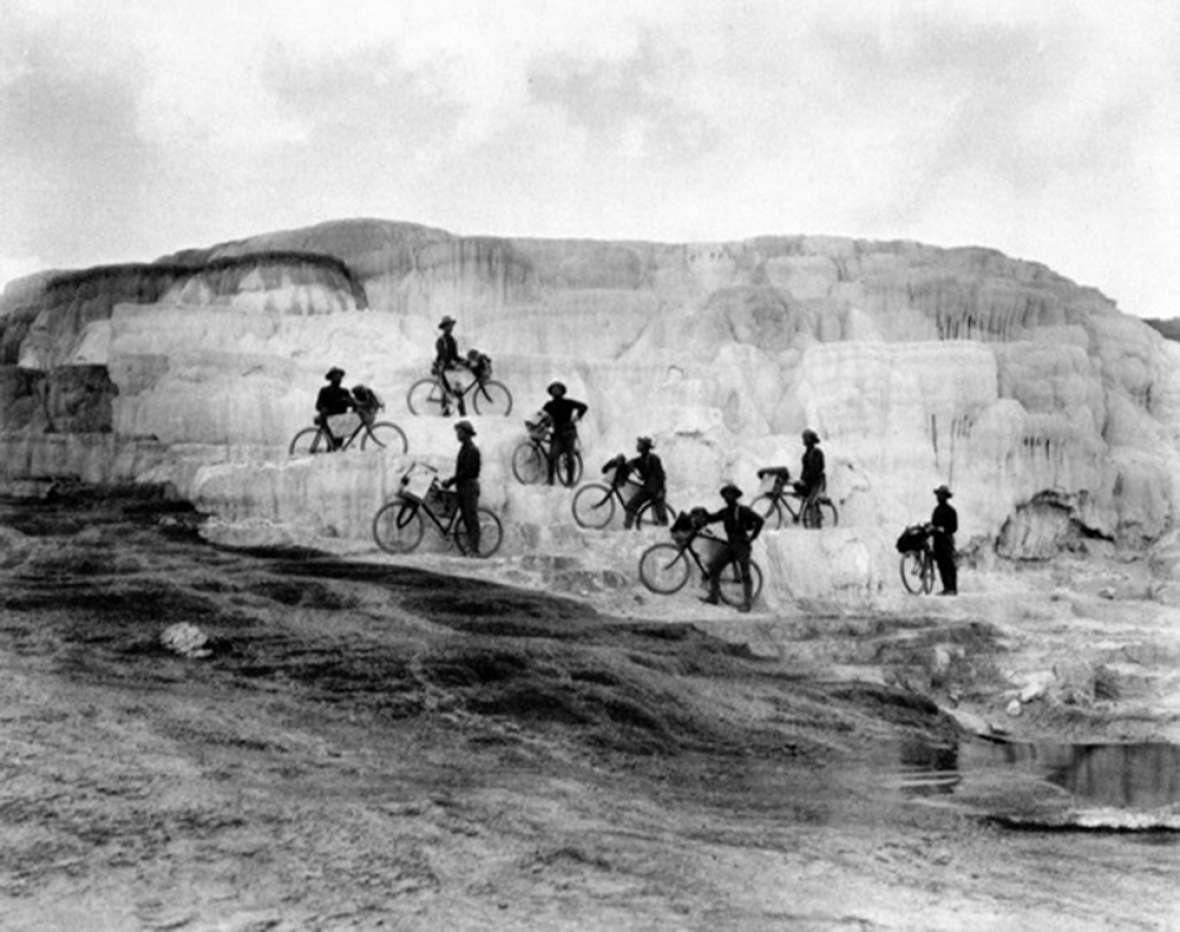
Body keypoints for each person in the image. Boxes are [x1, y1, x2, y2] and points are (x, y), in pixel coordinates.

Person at [698, 481, 764, 613]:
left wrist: (753, 537)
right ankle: (714, 597)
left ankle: (747, 603)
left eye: (730, 495)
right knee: (714, 568)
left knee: (745, 574)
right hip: (730, 545)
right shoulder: (725, 511)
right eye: (725, 495)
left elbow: (760, 521)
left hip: (742, 545)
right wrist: (703, 513)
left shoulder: (743, 510)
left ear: (735, 496)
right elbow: (712, 518)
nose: (727, 498)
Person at [442, 419, 482, 554]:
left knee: (471, 519)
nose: (457, 434)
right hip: (463, 487)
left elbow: (467, 472)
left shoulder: (472, 450)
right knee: (466, 518)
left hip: (469, 487)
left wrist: (451, 481)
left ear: (467, 434)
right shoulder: (465, 448)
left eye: (460, 432)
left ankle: (475, 550)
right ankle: (471, 548)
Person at [540, 381, 588, 486]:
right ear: (551, 393)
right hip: (557, 434)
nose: (556, 391)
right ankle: (550, 480)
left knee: (570, 457)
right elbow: (541, 415)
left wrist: (577, 417)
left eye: (558, 389)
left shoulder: (568, 402)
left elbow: (584, 407)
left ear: (562, 392)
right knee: (552, 456)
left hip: (568, 432)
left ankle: (570, 481)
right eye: (554, 390)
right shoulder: (549, 405)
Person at [622, 436, 668, 528]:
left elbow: (661, 476)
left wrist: (661, 490)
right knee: (659, 512)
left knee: (631, 505)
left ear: (645, 447)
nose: (637, 446)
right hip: (649, 488)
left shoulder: (654, 459)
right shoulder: (640, 459)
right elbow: (630, 464)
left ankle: (627, 527)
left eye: (640, 444)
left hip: (653, 490)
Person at [434, 315, 467, 415]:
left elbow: (455, 356)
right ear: (444, 328)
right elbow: (444, 356)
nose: (451, 328)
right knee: (446, 392)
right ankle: (446, 414)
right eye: (449, 326)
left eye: (451, 326)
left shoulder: (452, 340)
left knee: (458, 392)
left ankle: (463, 415)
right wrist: (452, 363)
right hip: (443, 369)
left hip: (451, 370)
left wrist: (464, 361)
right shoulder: (440, 341)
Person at [315, 367, 355, 450]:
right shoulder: (324, 391)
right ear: (331, 378)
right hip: (328, 421)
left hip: (340, 422)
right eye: (336, 376)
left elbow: (352, 404)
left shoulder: (345, 392)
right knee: (332, 446)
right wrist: (323, 408)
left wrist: (350, 402)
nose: (339, 379)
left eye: (340, 377)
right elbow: (318, 405)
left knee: (338, 446)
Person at [794, 428, 826, 526]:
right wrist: (802, 480)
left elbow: (816, 469)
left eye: (806, 439)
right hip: (810, 482)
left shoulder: (817, 453)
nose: (804, 441)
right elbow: (804, 470)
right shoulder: (805, 455)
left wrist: (806, 479)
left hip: (817, 482)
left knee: (811, 502)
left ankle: (815, 524)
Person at [931, 484, 958, 595]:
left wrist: (943, 529)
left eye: (941, 495)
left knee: (949, 564)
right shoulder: (936, 510)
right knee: (941, 565)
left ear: (945, 497)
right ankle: (946, 587)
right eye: (938, 495)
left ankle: (952, 588)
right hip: (937, 541)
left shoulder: (951, 511)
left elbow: (954, 527)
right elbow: (933, 523)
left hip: (946, 541)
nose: (938, 497)